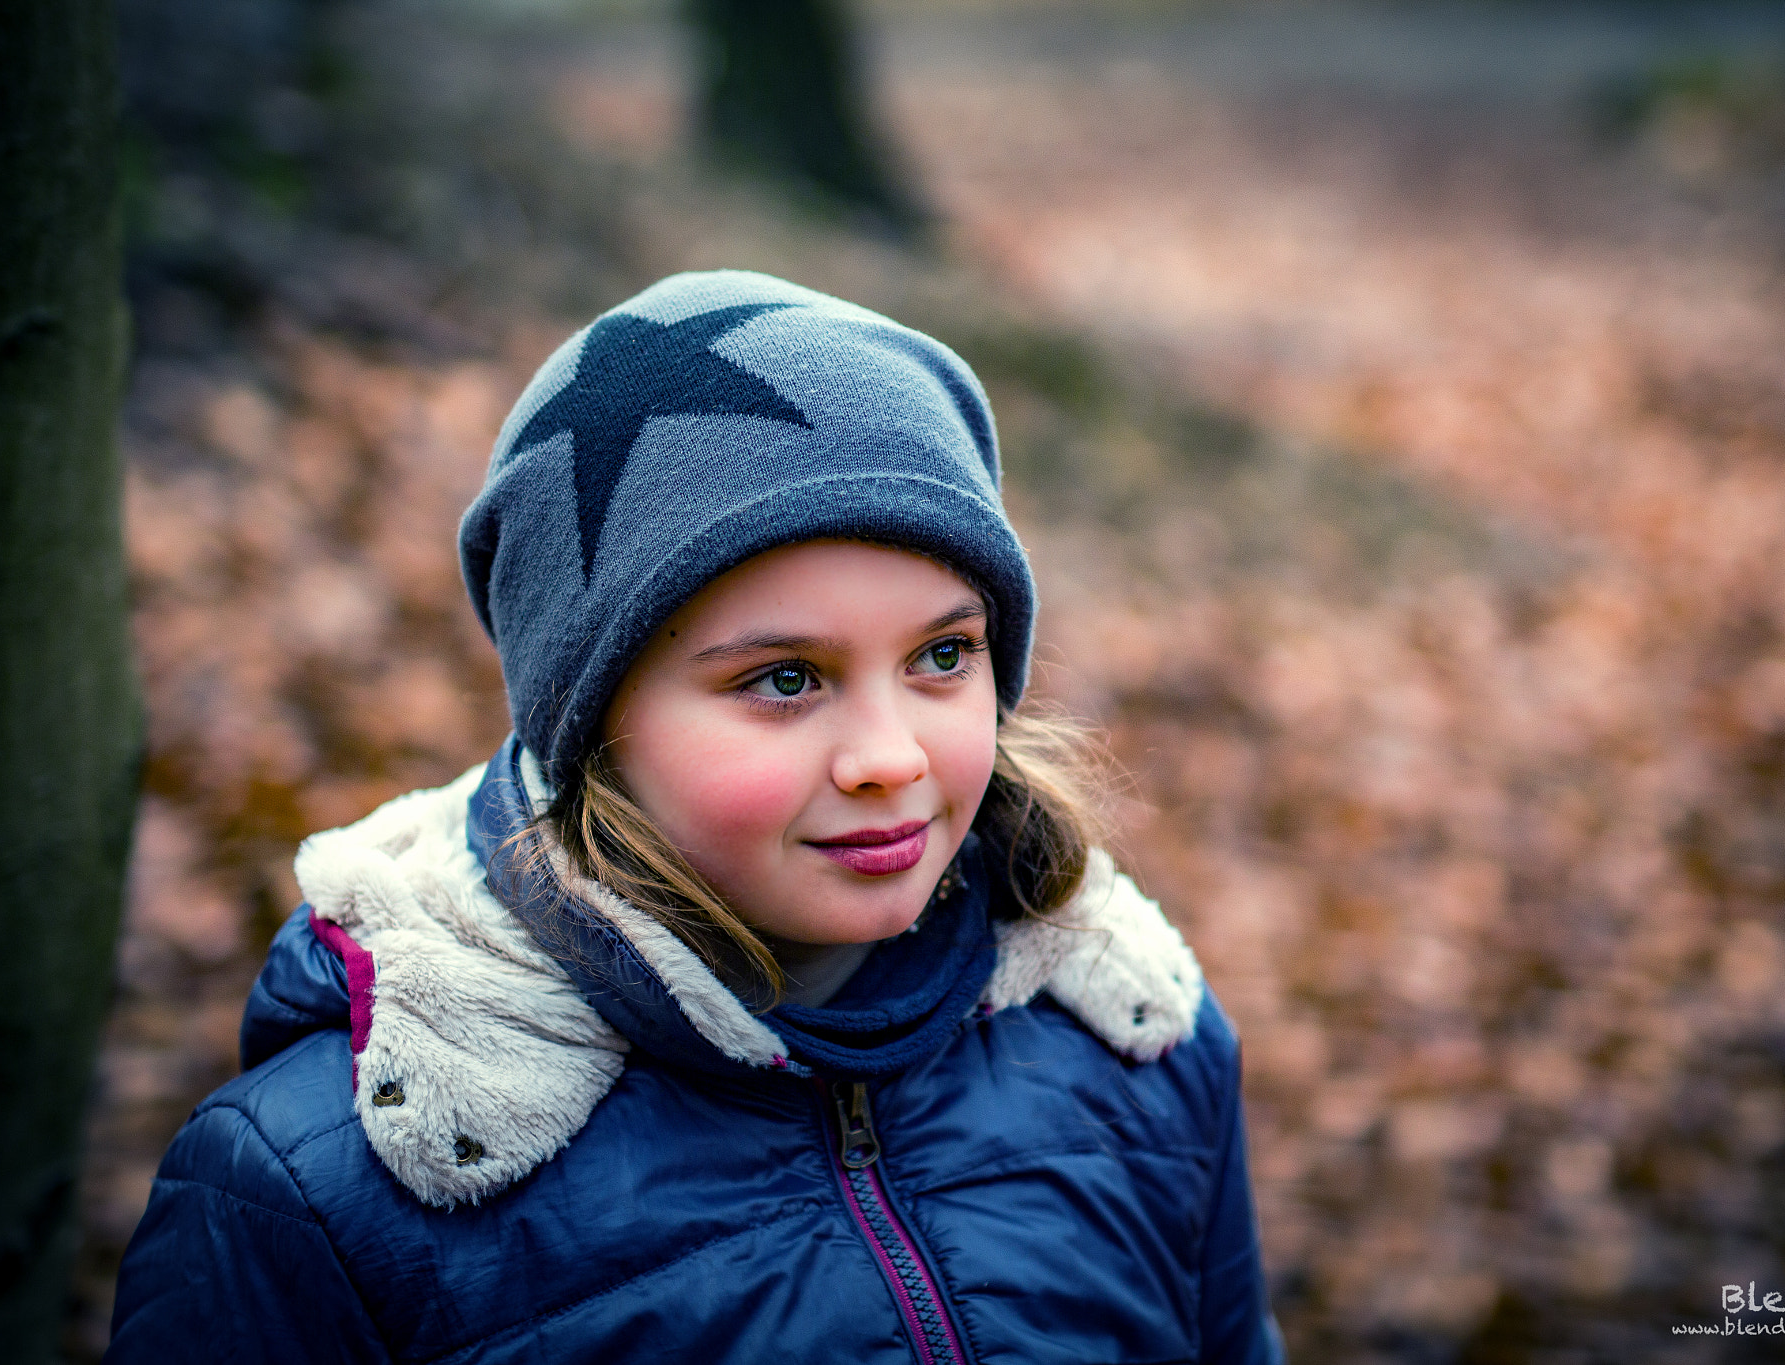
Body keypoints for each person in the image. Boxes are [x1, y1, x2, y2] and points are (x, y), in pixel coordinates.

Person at [107, 270, 1282, 1363]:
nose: (889, 757)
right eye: (783, 679)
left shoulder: (1140, 1047)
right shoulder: (318, 1195)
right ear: (593, 721)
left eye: (941, 654)